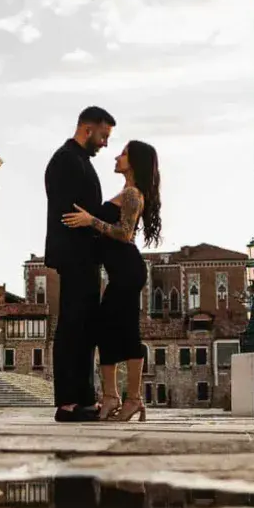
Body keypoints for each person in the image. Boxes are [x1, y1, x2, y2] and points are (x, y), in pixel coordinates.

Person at [62, 139, 162, 424]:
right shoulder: (126, 192)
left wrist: (90, 220)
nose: (117, 157)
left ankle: (131, 400)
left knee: (126, 332)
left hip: (128, 272)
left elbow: (125, 234)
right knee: (105, 331)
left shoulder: (132, 194)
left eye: (124, 154)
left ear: (135, 162)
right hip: (120, 272)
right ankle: (112, 397)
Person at [44, 106, 115, 423]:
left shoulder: (80, 161)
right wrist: (97, 220)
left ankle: (84, 398)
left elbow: (90, 211)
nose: (105, 143)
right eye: (103, 135)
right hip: (74, 254)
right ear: (88, 129)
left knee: (85, 327)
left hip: (85, 255)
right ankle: (68, 403)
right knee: (73, 325)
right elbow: (70, 213)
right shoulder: (65, 160)